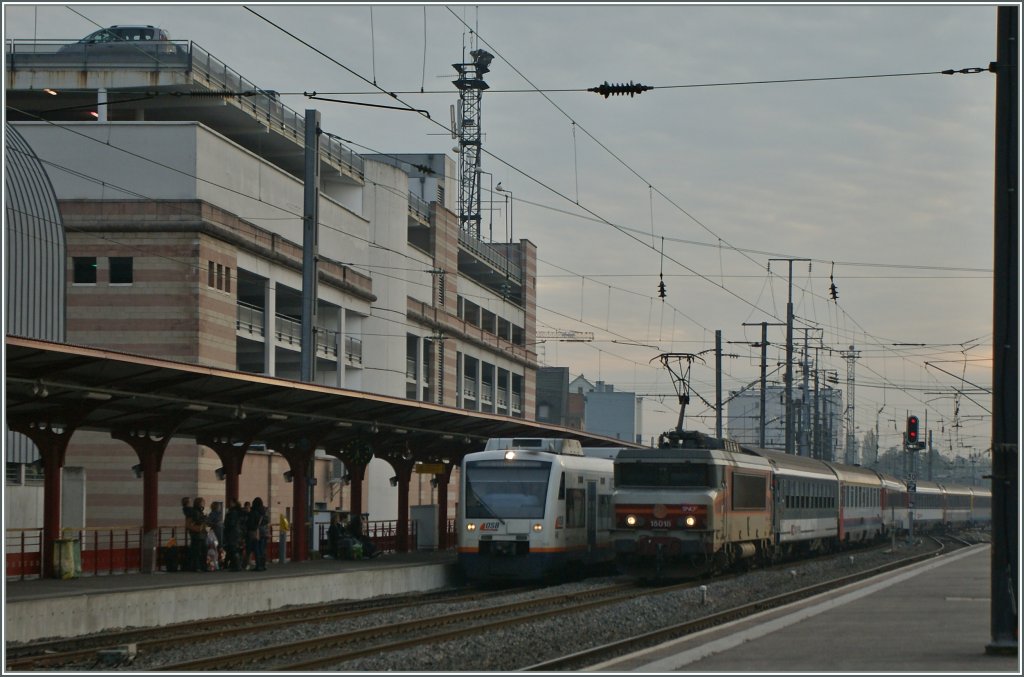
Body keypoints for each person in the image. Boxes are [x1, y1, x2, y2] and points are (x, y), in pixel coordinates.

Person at [246, 497, 269, 571]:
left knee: (257, 549)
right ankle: (263, 565)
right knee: (263, 549)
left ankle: (258, 565)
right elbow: (267, 521)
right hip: (264, 532)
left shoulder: (254, 512)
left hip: (257, 532)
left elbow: (251, 523)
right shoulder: (264, 512)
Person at [187, 497, 209, 572]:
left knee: (200, 551)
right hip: (198, 534)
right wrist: (204, 519)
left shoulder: (198, 511)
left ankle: (200, 566)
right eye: (202, 503)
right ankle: (199, 567)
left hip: (200, 534)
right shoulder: (195, 512)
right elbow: (197, 521)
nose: (203, 504)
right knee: (199, 552)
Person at [223, 498, 244, 571]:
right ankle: (237, 565)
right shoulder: (240, 512)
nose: (230, 504)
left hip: (232, 533)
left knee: (233, 549)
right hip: (238, 532)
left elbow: (230, 523)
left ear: (234, 503)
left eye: (231, 502)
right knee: (236, 549)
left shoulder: (232, 512)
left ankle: (236, 565)